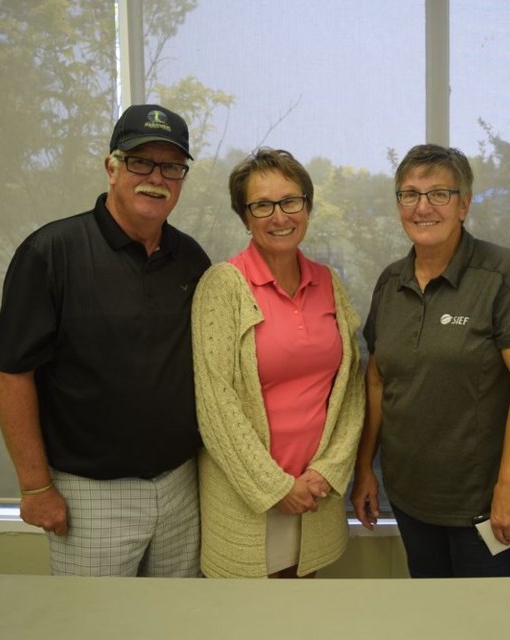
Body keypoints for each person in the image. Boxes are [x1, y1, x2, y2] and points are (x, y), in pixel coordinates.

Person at [0, 104, 210, 577]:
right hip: (90, 494)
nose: (156, 177)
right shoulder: (52, 253)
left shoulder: (190, 259)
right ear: (111, 167)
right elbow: (10, 371)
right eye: (140, 161)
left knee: (176, 623)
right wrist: (34, 486)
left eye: (171, 166)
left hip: (180, 483)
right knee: (94, 625)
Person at [351, 144, 510, 578]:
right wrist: (364, 469)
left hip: (484, 506)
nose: (423, 207)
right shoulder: (391, 281)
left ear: (464, 205)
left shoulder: (502, 275)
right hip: (410, 498)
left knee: (484, 624)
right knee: (434, 618)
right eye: (410, 194)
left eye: (438, 194)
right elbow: (376, 380)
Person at [191, 148, 365, 578]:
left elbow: (350, 390)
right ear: (244, 216)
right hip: (248, 500)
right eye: (262, 205)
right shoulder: (223, 286)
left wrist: (328, 470)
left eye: (291, 201)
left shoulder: (328, 282)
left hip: (315, 496)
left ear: (306, 206)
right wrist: (276, 488)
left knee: (304, 614)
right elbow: (216, 407)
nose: (279, 215)